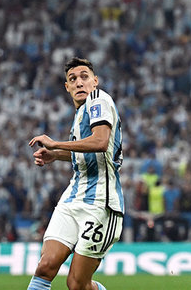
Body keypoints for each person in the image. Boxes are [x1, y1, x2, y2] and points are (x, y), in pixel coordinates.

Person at [26, 57, 124, 290]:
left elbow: (100, 142)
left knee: (77, 284)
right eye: (72, 79)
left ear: (95, 81)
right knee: (45, 266)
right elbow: (87, 154)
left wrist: (56, 144)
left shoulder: (98, 99)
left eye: (84, 77)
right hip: (72, 198)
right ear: (67, 87)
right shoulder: (81, 113)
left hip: (101, 204)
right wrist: (56, 155)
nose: (79, 82)